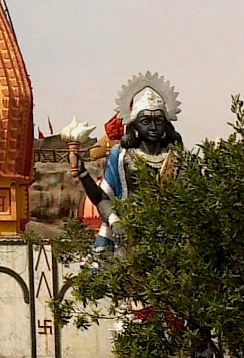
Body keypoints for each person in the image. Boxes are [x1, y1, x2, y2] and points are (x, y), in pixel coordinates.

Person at [76, 75, 183, 253]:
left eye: (159, 121)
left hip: (166, 236)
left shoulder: (176, 158)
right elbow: (103, 198)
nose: (153, 127)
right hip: (126, 236)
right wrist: (115, 222)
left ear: (166, 125)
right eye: (146, 121)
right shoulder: (120, 156)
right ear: (134, 126)